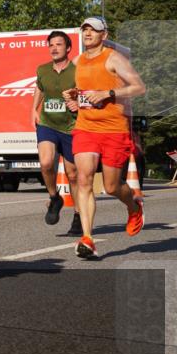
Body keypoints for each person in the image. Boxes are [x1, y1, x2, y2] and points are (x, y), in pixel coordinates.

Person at [61, 16, 146, 259]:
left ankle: (133, 206)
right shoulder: (76, 62)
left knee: (111, 187)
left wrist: (108, 93)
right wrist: (72, 98)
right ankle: (87, 238)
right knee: (84, 180)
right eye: (85, 29)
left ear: (104, 35)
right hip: (86, 128)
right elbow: (78, 95)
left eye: (93, 30)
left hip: (114, 129)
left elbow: (139, 87)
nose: (88, 33)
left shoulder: (113, 58)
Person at [31, 30, 81, 233]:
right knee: (45, 163)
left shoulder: (77, 70)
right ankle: (54, 197)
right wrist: (34, 108)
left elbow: (87, 92)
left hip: (71, 127)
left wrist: (78, 102)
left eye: (58, 44)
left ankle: (78, 215)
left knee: (73, 174)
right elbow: (40, 88)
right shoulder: (42, 69)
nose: (54, 48)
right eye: (51, 44)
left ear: (68, 48)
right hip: (47, 124)